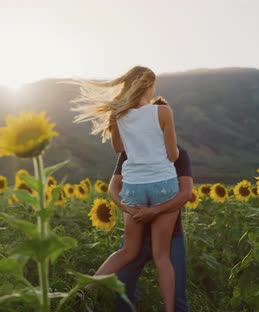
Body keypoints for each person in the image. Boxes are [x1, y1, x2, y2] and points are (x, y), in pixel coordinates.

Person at [72, 66, 181, 311]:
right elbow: (173, 155)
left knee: (127, 252)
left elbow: (118, 148)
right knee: (162, 257)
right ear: (149, 85)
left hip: (133, 185)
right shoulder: (163, 111)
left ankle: (81, 291)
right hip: (163, 182)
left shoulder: (118, 115)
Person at [110, 141, 192, 312]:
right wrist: (129, 209)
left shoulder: (178, 154)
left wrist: (155, 211)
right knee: (121, 292)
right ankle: (81, 294)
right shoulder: (130, 151)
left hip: (170, 237)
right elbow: (113, 187)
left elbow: (185, 193)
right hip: (136, 234)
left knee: (178, 300)